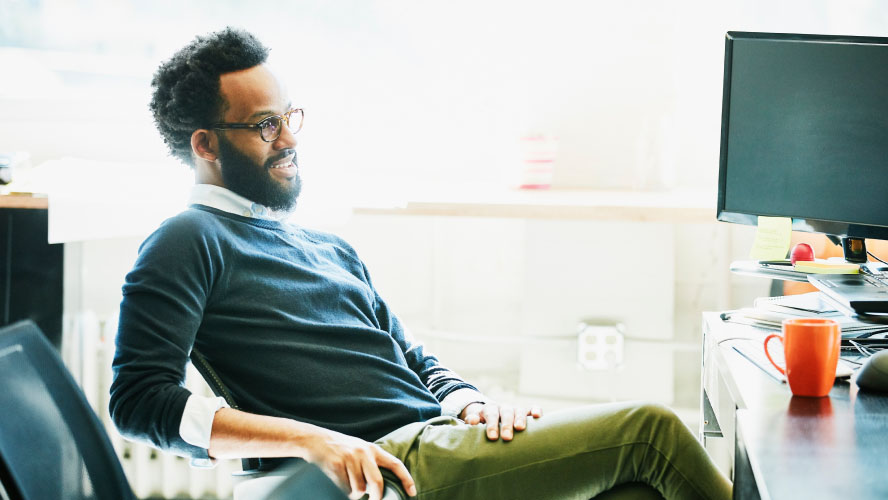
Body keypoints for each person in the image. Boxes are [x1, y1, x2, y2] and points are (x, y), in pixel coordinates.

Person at [109, 27, 732, 500]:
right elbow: (139, 401)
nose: (290, 139)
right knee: (653, 432)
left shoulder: (324, 245)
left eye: (289, 118)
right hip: (390, 464)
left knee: (636, 491)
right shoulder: (188, 239)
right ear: (205, 144)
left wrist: (471, 403)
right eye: (265, 127)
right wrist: (307, 439)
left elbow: (412, 359)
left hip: (441, 435)